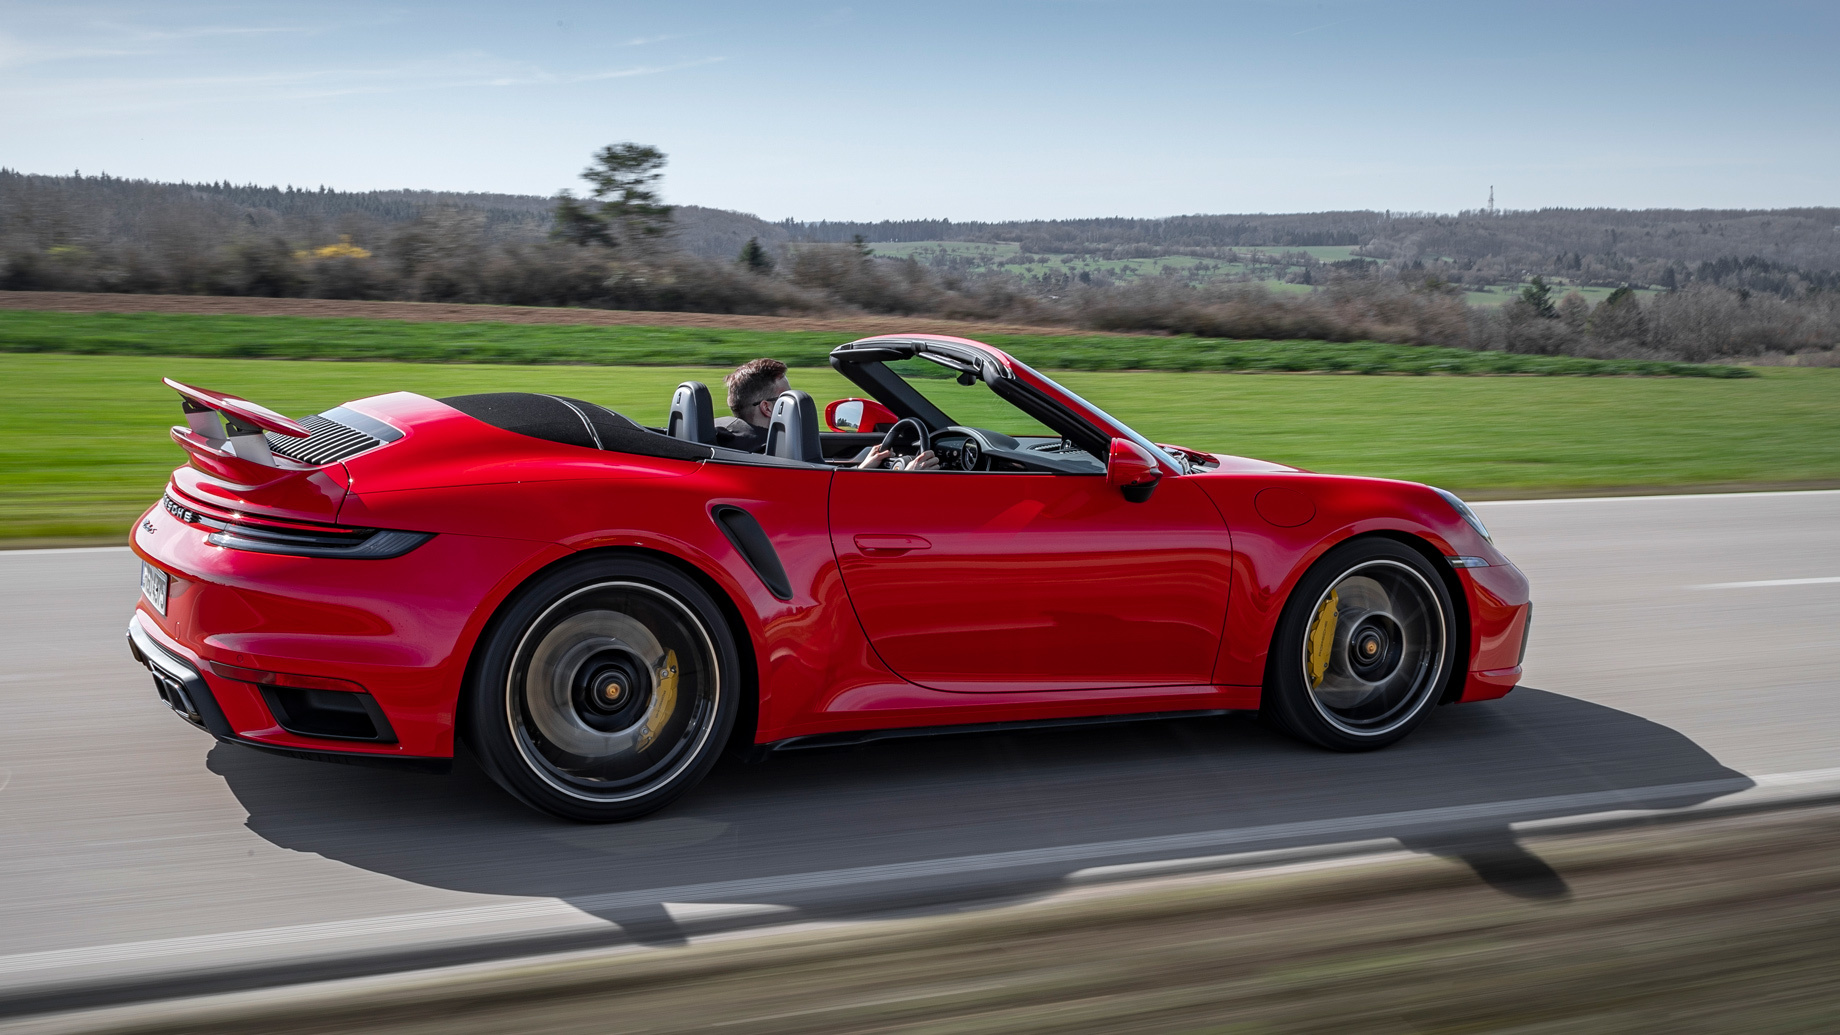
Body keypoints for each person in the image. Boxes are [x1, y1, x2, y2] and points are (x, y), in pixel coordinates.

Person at [718, 357, 937, 470]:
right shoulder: (768, 457)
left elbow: (823, 488)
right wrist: (906, 478)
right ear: (767, 408)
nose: (792, 403)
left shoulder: (732, 438)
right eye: (786, 398)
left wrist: (861, 468)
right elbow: (831, 504)